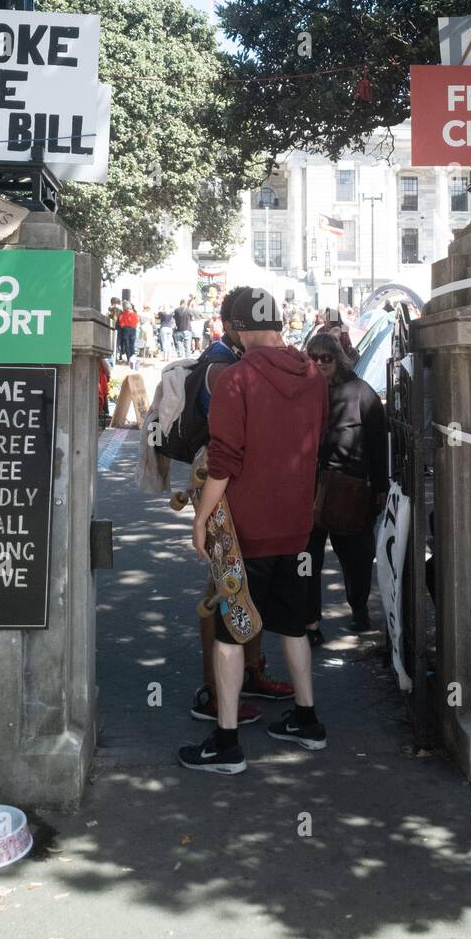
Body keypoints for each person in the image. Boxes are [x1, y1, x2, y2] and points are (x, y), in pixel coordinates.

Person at [178, 288, 328, 775]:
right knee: (292, 624)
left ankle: (226, 743)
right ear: (278, 323)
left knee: (228, 633)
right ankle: (307, 720)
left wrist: (200, 519)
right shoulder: (312, 375)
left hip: (245, 533)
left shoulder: (236, 379)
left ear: (237, 328)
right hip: (296, 527)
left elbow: (223, 461)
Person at [188, 287, 294, 727]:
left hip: (238, 495)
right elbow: (232, 443)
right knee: (223, 594)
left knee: (244, 593)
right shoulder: (220, 366)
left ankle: (251, 672)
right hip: (222, 497)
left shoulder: (234, 360)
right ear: (232, 326)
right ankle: (214, 693)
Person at [305, 333, 388, 640]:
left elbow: (379, 445)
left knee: (356, 557)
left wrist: (380, 488)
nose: (320, 363)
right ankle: (310, 621)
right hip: (311, 486)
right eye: (313, 357)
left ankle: (360, 610)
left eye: (326, 357)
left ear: (337, 357)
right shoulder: (304, 391)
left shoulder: (361, 392)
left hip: (349, 487)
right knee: (307, 559)